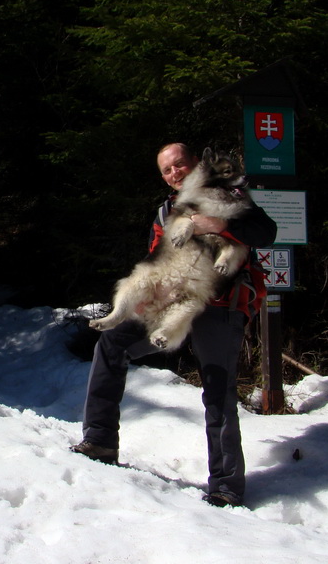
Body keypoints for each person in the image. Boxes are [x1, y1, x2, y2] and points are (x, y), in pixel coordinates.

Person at [70, 142, 277, 508]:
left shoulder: (230, 195)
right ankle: (99, 440)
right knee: (113, 343)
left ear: (196, 163)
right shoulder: (167, 210)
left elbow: (266, 231)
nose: (175, 173)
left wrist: (221, 225)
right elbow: (156, 255)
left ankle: (226, 485)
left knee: (218, 391)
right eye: (167, 170)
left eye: (179, 164)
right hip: (170, 303)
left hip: (219, 305)